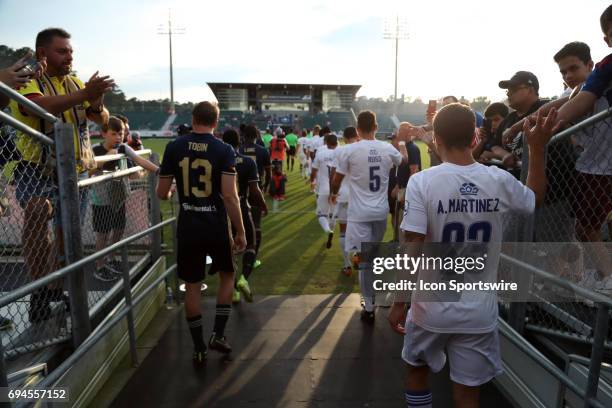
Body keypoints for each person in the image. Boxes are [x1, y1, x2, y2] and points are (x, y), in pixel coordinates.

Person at [387, 103, 556, 408]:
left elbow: (413, 246)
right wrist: (538, 149)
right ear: (476, 137)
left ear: (435, 139)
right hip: (478, 312)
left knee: (417, 372)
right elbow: (535, 198)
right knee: (467, 394)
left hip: (430, 309)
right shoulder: (497, 179)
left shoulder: (422, 182)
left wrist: (399, 301)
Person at [10, 28, 114, 322]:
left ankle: (53, 289)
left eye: (70, 51)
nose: (69, 56)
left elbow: (101, 118)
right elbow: (36, 107)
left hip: (74, 171)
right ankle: (40, 289)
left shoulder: (74, 81)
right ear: (43, 53)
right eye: (62, 51)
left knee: (66, 237)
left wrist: (96, 102)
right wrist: (84, 94)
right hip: (37, 168)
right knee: (37, 210)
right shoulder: (28, 79)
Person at [156, 101, 246, 364]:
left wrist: (172, 190)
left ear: (193, 118)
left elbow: (162, 193)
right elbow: (229, 195)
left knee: (192, 286)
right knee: (228, 275)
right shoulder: (224, 149)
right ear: (216, 122)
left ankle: (198, 348)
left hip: (188, 225)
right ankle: (217, 334)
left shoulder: (174, 147)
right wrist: (240, 231)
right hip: (216, 224)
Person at [553, 5, 612, 292]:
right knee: (584, 226)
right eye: (563, 71)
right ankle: (601, 275)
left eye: (573, 68)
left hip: (601, 166)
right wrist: (549, 124)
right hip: (592, 165)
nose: (567, 75)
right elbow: (567, 101)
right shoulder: (601, 72)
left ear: (589, 64)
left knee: (588, 227)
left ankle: (606, 276)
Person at [331, 110, 410, 322]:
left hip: (359, 213)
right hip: (380, 211)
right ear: (376, 127)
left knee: (365, 261)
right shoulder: (386, 148)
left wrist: (332, 192)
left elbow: (337, 179)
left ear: (357, 128)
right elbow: (403, 160)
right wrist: (401, 142)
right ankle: (373, 297)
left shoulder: (349, 150)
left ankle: (369, 304)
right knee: (372, 256)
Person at [91, 116, 158, 281]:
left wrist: (159, 170)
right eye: (114, 134)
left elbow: (139, 160)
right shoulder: (94, 149)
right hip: (101, 199)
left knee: (119, 229)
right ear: (103, 134)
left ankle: (111, 258)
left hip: (119, 196)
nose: (118, 137)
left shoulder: (123, 148)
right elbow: (88, 170)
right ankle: (99, 266)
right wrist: (108, 156)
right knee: (103, 234)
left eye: (120, 134)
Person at [222, 129, 268, 304]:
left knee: (230, 248)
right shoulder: (248, 161)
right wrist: (263, 204)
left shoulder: (217, 160)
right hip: (240, 204)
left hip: (222, 208)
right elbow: (255, 191)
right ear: (239, 142)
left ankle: (234, 290)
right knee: (251, 242)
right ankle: (243, 279)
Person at [239, 125, 271, 269]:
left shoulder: (237, 150)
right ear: (257, 135)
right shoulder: (263, 151)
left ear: (243, 135)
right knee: (256, 225)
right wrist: (264, 188)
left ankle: (237, 250)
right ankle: (252, 257)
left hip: (239, 191)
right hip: (255, 190)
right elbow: (268, 173)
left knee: (238, 222)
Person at [330, 126, 359, 276]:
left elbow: (334, 174)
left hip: (342, 193)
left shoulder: (339, 150)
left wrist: (332, 193)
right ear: (356, 135)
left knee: (343, 231)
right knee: (360, 230)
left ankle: (347, 265)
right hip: (359, 196)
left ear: (344, 138)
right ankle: (357, 256)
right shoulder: (362, 148)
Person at [310, 133, 338, 248]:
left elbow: (314, 171)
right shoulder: (341, 153)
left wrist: (312, 181)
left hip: (323, 188)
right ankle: (331, 230)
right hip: (337, 188)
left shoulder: (320, 153)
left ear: (326, 142)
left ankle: (328, 231)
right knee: (333, 214)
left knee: (321, 214)